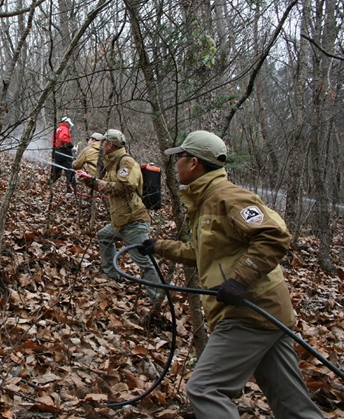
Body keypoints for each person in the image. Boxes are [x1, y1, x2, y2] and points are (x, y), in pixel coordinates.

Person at [138, 130, 323, 419]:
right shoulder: (206, 199)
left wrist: (238, 281)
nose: (177, 166)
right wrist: (159, 246)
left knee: (205, 389)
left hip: (250, 312)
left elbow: (274, 236)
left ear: (194, 163)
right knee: (292, 405)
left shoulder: (227, 196)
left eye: (180, 159)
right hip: (265, 312)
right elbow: (204, 252)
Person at [75, 129, 161, 302]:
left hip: (133, 222)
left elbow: (124, 187)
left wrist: (95, 181)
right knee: (103, 237)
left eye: (103, 143)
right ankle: (112, 275)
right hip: (120, 221)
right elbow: (103, 185)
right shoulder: (111, 162)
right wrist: (86, 179)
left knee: (144, 263)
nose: (100, 146)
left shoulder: (126, 162)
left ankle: (159, 300)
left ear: (109, 144)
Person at [51, 116, 77, 194]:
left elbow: (54, 141)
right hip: (64, 152)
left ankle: (48, 186)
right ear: (66, 123)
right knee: (70, 172)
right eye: (69, 124)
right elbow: (63, 139)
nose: (69, 127)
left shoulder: (57, 129)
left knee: (57, 172)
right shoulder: (64, 128)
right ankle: (71, 191)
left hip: (56, 152)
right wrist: (72, 147)